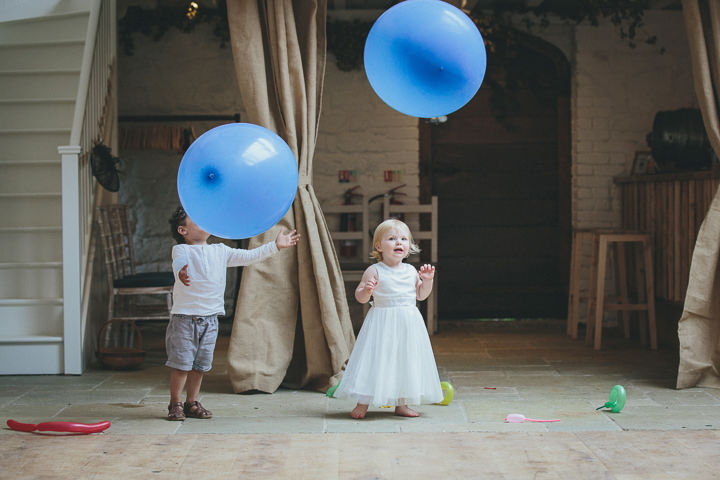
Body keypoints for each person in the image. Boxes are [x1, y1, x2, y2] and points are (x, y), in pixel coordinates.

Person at [165, 205, 300, 421]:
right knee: (182, 365)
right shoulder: (181, 251)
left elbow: (250, 256)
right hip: (185, 319)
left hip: (210, 320)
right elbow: (179, 264)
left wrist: (275, 246)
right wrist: (181, 272)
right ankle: (175, 403)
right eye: (197, 219)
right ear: (183, 231)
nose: (205, 220)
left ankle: (192, 402)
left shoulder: (221, 251)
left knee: (200, 366)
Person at [333, 218, 443, 418]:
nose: (398, 242)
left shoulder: (410, 271)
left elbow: (420, 295)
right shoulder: (375, 270)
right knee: (376, 360)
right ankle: (362, 402)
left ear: (409, 245)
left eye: (403, 239)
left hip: (408, 323)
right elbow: (360, 297)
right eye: (392, 238)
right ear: (379, 246)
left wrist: (427, 281)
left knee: (405, 360)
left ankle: (402, 404)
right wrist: (367, 290)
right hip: (382, 323)